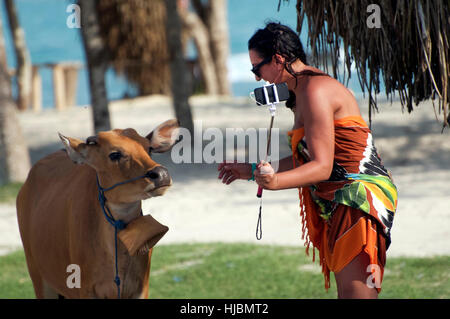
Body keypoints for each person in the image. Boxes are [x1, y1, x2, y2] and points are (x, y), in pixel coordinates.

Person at [217, 22, 398, 299]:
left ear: (278, 59)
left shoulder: (314, 91)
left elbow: (322, 167)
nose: (256, 78)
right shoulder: (301, 91)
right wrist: (251, 170)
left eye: (257, 68)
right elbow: (308, 157)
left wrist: (274, 182)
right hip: (341, 200)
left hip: (358, 199)